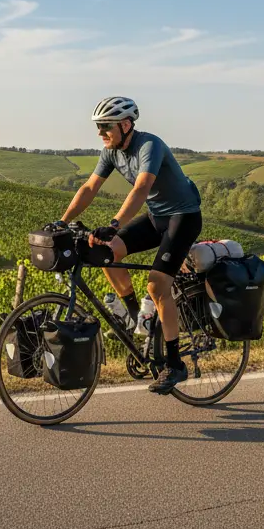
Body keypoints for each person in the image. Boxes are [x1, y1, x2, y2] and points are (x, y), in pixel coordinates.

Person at [58, 96, 202, 394]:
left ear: (125, 125)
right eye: (98, 127)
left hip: (182, 217)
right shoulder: (110, 152)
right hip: (155, 217)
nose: (100, 133)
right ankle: (138, 317)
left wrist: (114, 224)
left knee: (158, 285)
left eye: (105, 127)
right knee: (104, 254)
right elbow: (89, 188)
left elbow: (141, 188)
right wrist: (61, 222)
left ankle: (175, 364)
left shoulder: (150, 145)